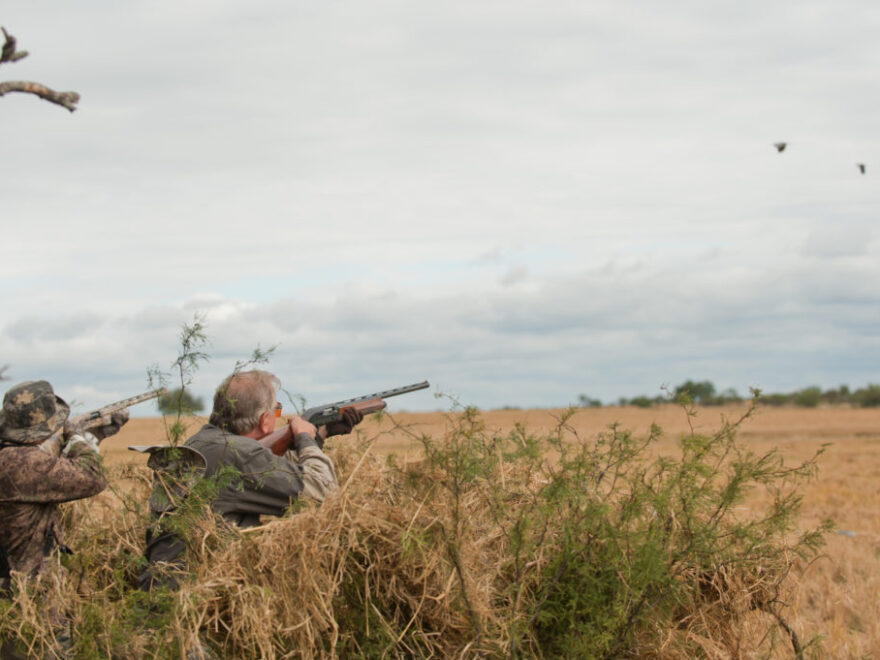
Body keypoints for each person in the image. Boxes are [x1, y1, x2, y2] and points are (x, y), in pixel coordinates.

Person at [139, 370, 361, 589]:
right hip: (196, 603)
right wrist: (305, 439)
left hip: (161, 596)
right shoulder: (239, 455)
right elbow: (325, 493)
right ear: (265, 421)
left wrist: (319, 435)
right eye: (276, 411)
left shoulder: (200, 442)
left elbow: (269, 468)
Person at [0, 380, 128, 656]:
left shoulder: (9, 457)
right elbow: (92, 477)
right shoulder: (26, 464)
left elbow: (47, 464)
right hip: (30, 599)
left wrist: (95, 435)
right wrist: (78, 436)